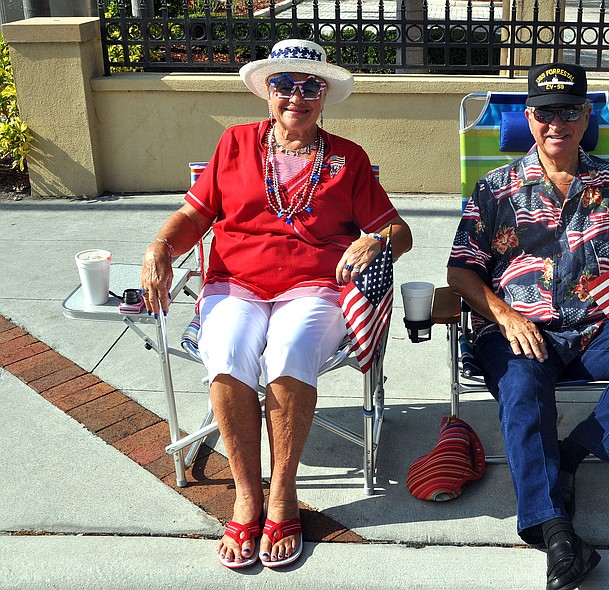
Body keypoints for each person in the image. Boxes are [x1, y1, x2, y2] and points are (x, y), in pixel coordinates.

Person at [140, 39, 412, 570]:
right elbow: (195, 216)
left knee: (288, 349)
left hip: (315, 287)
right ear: (267, 92)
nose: (296, 96)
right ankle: (247, 495)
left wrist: (376, 240)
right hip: (235, 282)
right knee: (227, 347)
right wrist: (159, 246)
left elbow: (397, 230)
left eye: (310, 85)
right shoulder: (235, 144)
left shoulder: (347, 158)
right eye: (283, 84)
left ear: (325, 95)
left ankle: (282, 492)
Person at [446, 62, 609, 590]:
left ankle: (575, 449)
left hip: (599, 327)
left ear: (586, 117)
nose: (556, 123)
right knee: (521, 385)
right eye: (545, 113)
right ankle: (557, 533)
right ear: (529, 117)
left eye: (568, 112)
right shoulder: (495, 189)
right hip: (522, 330)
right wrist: (504, 314)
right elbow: (460, 270)